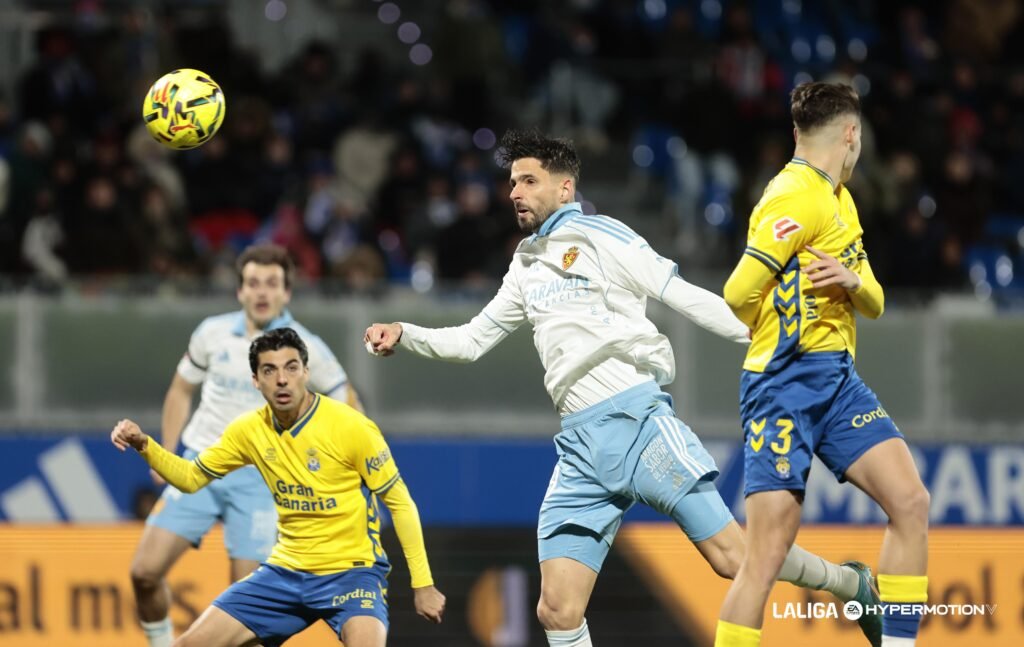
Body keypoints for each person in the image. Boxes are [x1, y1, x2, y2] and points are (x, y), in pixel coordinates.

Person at [364, 129, 881, 647]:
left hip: (639, 425)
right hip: (580, 449)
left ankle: (848, 582)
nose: (514, 192)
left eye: (527, 181)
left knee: (734, 560)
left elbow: (680, 295)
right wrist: (406, 333)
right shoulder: (524, 264)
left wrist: (764, 332)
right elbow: (472, 340)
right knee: (557, 610)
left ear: (565, 189)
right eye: (511, 182)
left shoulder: (604, 237)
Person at [715, 82, 930, 647]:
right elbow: (738, 293)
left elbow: (876, 301)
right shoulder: (795, 195)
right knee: (764, 557)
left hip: (837, 382)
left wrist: (852, 279)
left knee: (910, 500)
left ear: (798, 132)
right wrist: (770, 320)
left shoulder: (840, 198)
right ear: (852, 134)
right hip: (783, 387)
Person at [111, 328, 446, 647]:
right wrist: (145, 445)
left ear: (305, 372)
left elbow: (400, 503)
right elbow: (192, 477)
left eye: (291, 367)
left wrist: (424, 584)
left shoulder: (351, 426)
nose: (282, 379)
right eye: (269, 371)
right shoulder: (248, 430)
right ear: (255, 381)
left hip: (352, 574)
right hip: (285, 573)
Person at [130, 243, 363, 647]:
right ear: (239, 291)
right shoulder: (212, 333)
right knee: (144, 573)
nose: (261, 292)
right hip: (199, 467)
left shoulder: (305, 346)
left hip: (260, 482)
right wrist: (166, 450)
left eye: (272, 284)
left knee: (249, 619)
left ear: (286, 292)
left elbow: (349, 403)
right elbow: (180, 391)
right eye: (253, 283)